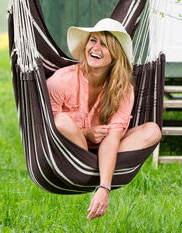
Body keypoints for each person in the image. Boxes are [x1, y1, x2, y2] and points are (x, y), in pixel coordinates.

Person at [46, 18, 161, 220]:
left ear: (116, 55)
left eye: (104, 44)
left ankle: (100, 173)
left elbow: (113, 137)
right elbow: (49, 129)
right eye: (93, 40)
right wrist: (85, 133)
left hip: (107, 150)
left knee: (152, 130)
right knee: (62, 121)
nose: (95, 47)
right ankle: (92, 168)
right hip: (72, 154)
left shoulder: (123, 89)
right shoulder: (60, 81)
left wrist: (104, 188)